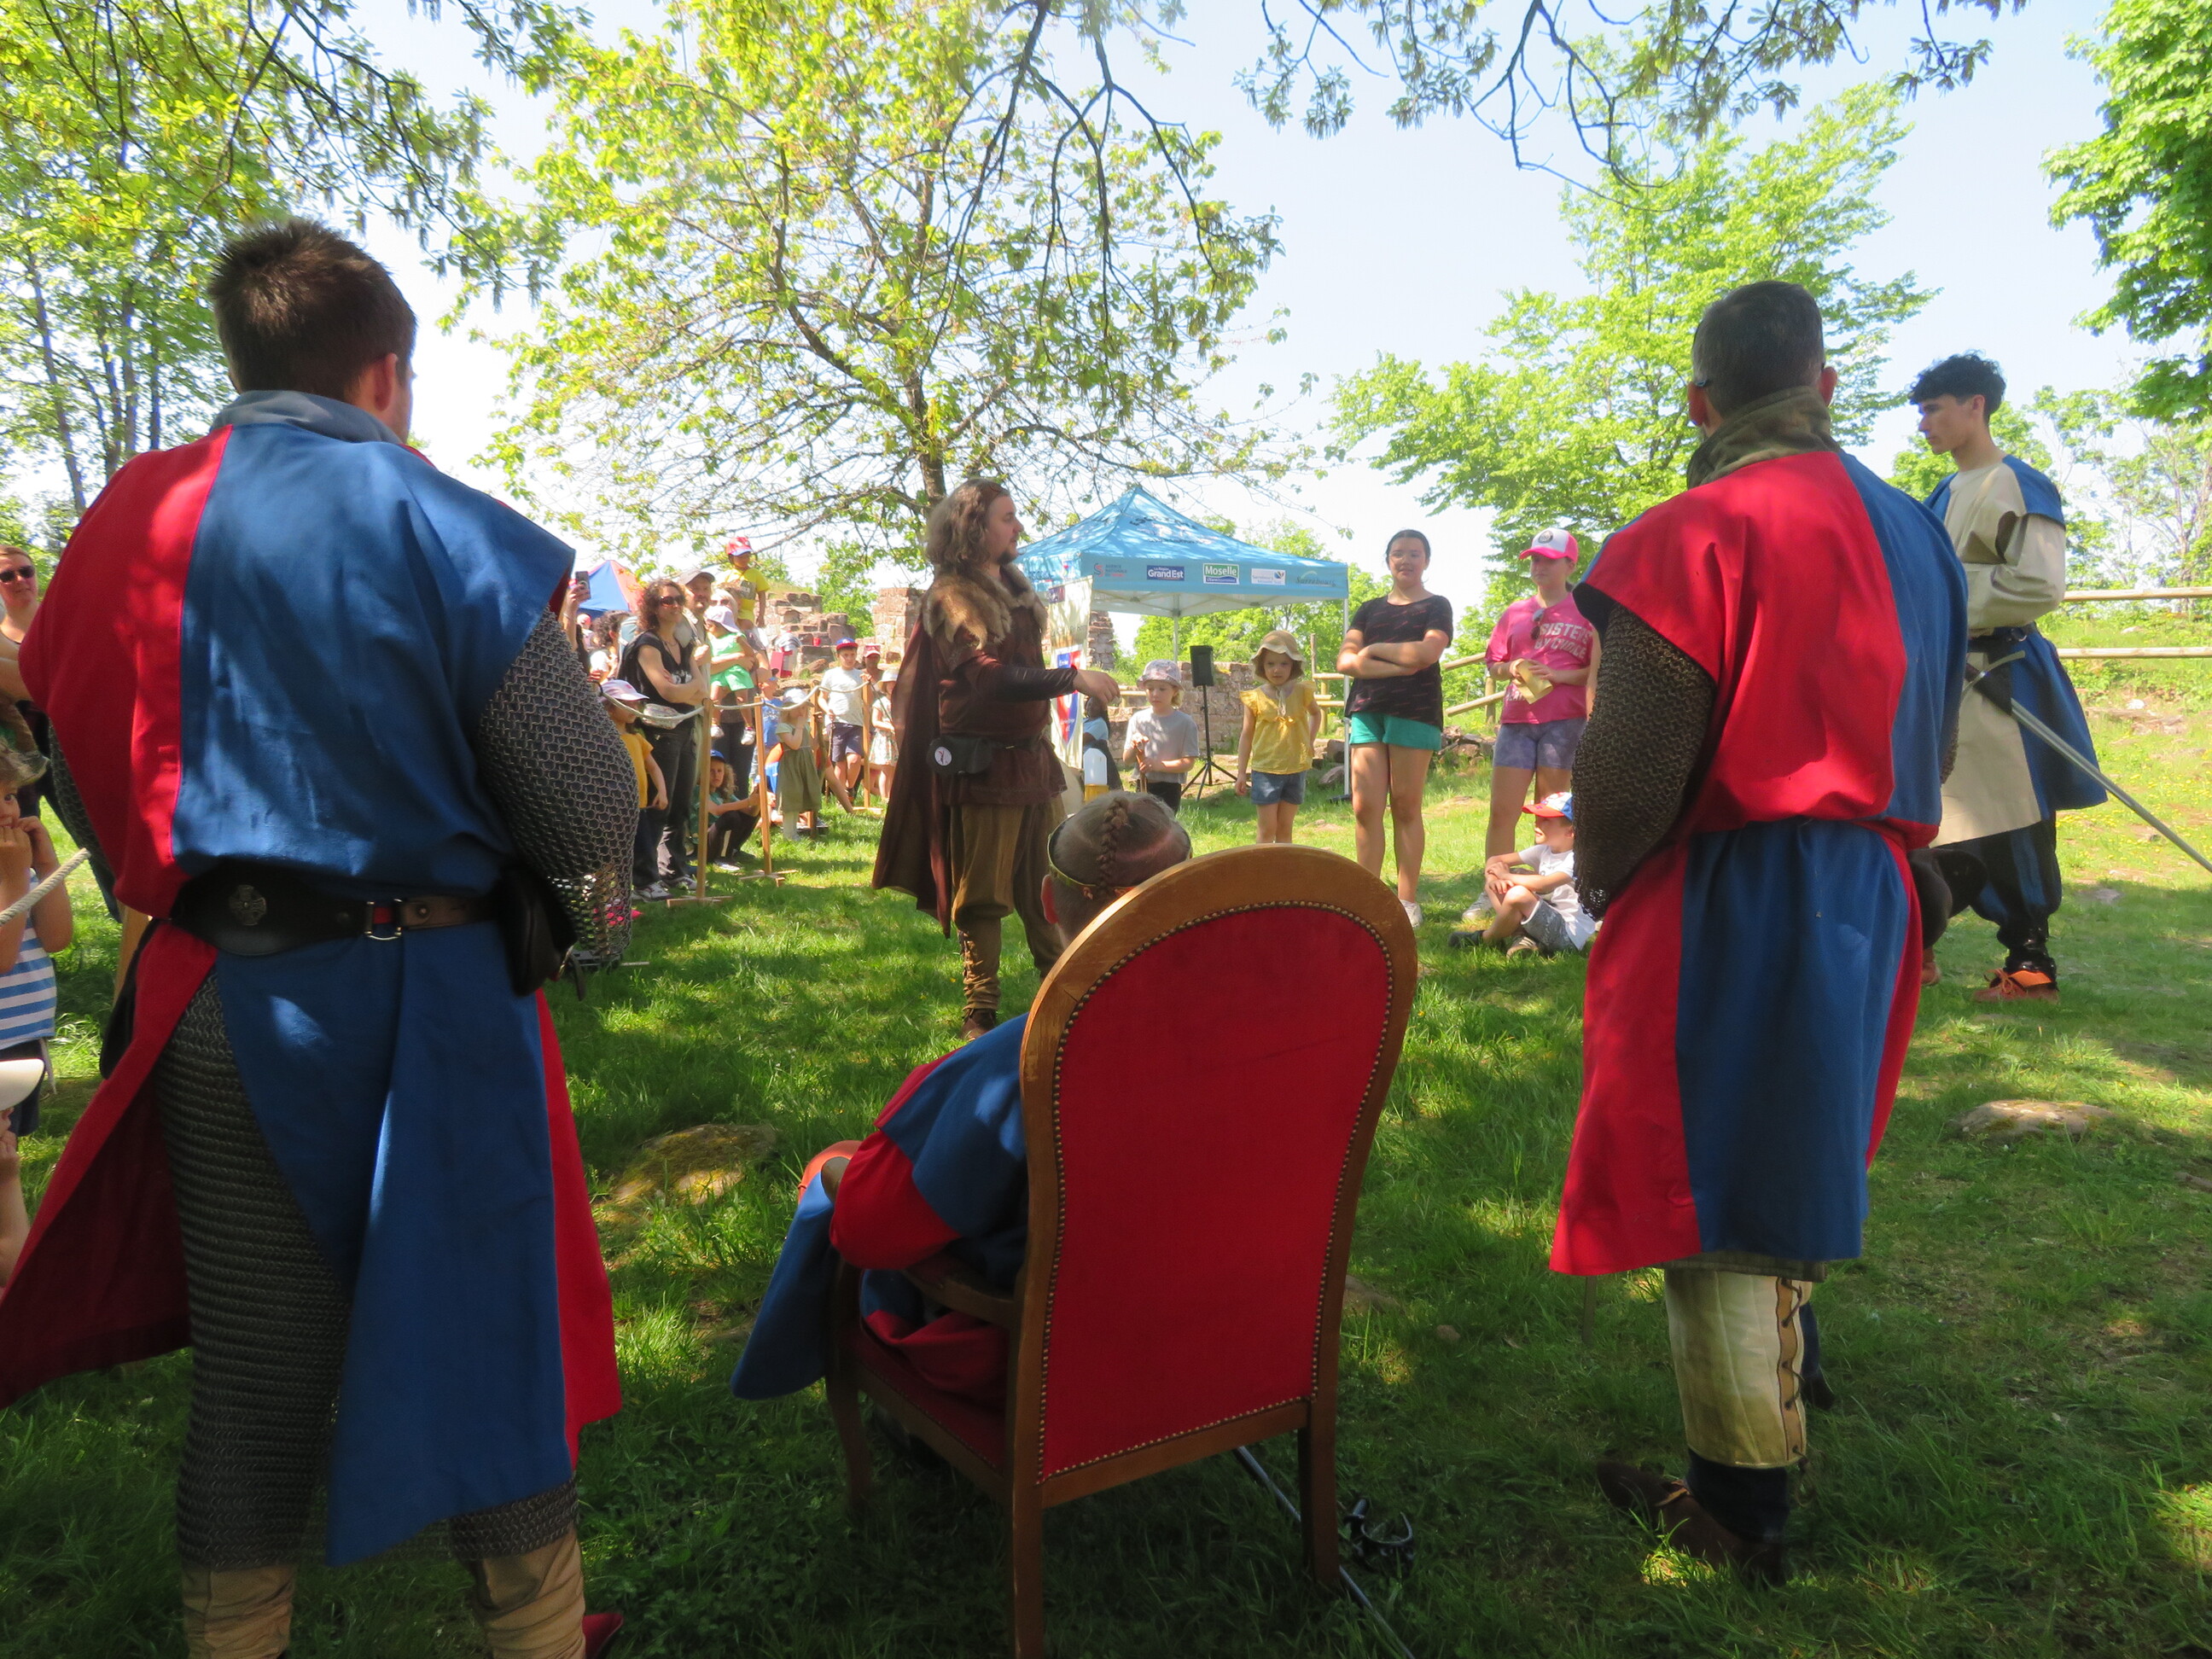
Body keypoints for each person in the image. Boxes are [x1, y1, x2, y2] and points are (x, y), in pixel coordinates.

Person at [0, 219, 633, 1657]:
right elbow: (589, 802)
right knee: (487, 1349)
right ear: (385, 372)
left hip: (219, 994)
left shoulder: (127, 519)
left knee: (257, 1379)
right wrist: (586, 919)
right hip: (439, 1009)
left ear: (245, 354)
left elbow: (81, 760)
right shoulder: (430, 514)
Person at [1552, 282, 1965, 1583]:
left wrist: (1601, 877)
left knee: (1719, 1175)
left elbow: (1633, 762)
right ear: (1824, 386)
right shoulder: (1922, 535)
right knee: (1801, 1134)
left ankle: (1740, 1507)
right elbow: (1939, 733)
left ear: (1701, 403)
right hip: (1872, 880)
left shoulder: (1691, 531)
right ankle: (1798, 1358)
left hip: (1738, 884)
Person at [734, 791, 1191, 1407]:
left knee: (832, 1171)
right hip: (1215, 1325)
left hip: (1045, 1363)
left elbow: (871, 1234)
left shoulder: (1017, 1065)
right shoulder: (1265, 1031)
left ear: (1047, 900)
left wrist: (833, 1176)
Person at [874, 479, 1121, 1041]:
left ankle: (1064, 997)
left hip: (1033, 760)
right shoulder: (951, 595)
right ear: (973, 526)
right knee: (983, 896)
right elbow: (986, 679)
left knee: (1048, 888)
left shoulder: (1014, 585)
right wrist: (1071, 678)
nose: (1018, 528)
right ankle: (980, 1012)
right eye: (1007, 518)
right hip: (982, 766)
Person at [1911, 352, 2104, 1004]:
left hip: (2001, 677)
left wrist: (1944, 593)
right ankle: (1919, 951)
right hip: (1946, 680)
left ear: (1976, 406)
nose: (1924, 424)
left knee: (2013, 821)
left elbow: (2039, 584)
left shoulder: (2018, 482)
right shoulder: (1942, 493)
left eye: (1934, 409)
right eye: (1921, 412)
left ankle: (2030, 968)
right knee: (1930, 817)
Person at [1338, 530, 1453, 928]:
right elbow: (1345, 662)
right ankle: (1368, 898)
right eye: (1398, 553)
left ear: (1427, 561)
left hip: (1415, 712)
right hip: (1367, 711)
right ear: (1387, 560)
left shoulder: (1437, 606)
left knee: (1405, 806)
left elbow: (1427, 652)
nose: (1406, 560)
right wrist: (1401, 665)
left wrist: (1372, 651)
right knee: (1364, 807)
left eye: (1415, 554)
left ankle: (1406, 901)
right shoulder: (1368, 609)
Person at [1481, 527, 1598, 864]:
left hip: (1564, 722)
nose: (1539, 567)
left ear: (1570, 565)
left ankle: (1545, 883)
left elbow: (1596, 669)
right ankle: (1495, 880)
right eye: (1534, 560)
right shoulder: (1515, 612)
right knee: (1502, 810)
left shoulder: (1586, 612)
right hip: (1516, 722)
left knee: (1550, 813)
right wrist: (1512, 666)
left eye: (1548, 560)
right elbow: (1493, 664)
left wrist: (1559, 676)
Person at [0, 748, 72, 1133]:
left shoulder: (15, 870)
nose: (6, 812)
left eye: (9, 796)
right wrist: (14, 878)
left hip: (24, 1037)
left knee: (9, 1147)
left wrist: (45, 866)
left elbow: (56, 938)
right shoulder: (12, 873)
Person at [620, 578, 708, 888]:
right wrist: (689, 689)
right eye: (666, 601)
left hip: (684, 729)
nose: (674, 606)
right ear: (653, 608)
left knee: (681, 805)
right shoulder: (648, 644)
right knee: (659, 803)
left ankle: (673, 869)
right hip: (657, 733)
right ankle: (645, 879)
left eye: (677, 600)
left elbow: (702, 692)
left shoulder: (683, 646)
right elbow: (666, 692)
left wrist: (687, 689)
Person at [1458, 792, 1592, 957]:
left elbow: (1544, 884)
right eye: (1537, 818)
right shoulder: (1544, 850)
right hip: (1544, 921)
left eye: (1546, 820)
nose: (1537, 823)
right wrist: (1493, 880)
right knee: (1497, 886)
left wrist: (1507, 876)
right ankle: (1524, 938)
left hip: (1567, 936)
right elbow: (1495, 860)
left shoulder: (1579, 858)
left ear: (1570, 831)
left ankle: (1486, 939)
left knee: (1518, 894)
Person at [1234, 630, 1323, 844]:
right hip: (1266, 770)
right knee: (1267, 829)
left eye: (1284, 663)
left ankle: (1284, 866)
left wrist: (1309, 741)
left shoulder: (1303, 692)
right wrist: (1241, 773)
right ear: (1262, 667)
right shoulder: (1255, 698)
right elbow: (1246, 735)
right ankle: (1263, 865)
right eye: (1271, 664)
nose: (1277, 669)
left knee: (1285, 829)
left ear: (1294, 665)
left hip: (1296, 769)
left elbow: (1316, 714)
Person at [604, 679, 672, 897]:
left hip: (638, 805)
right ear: (609, 706)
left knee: (643, 846)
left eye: (635, 704)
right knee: (616, 849)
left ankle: (646, 884)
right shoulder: (603, 739)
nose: (634, 708)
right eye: (627, 704)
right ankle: (620, 888)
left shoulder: (636, 738)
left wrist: (662, 791)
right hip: (613, 806)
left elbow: (653, 767)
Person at [0, 546, 49, 820]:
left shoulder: (63, 621)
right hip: (22, 748)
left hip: (71, 738)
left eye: (26, 571)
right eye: (7, 576)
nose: (20, 580)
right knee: (25, 822)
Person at [1122, 660, 1200, 812]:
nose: (1155, 694)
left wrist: (1158, 765)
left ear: (1175, 691)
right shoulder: (1138, 719)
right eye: (1150, 689)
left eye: (1162, 689)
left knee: (1164, 825)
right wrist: (1134, 746)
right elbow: (1127, 760)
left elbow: (1188, 763)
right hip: (1143, 784)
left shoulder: (1185, 723)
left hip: (1169, 788)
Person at [771, 679, 828, 837]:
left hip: (805, 764)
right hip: (792, 766)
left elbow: (812, 746)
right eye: (797, 707)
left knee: (801, 795)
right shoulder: (783, 727)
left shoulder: (804, 726)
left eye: (803, 707)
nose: (801, 711)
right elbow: (795, 745)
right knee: (792, 796)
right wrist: (800, 726)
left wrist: (820, 729)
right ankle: (789, 834)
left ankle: (796, 832)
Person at [820, 637, 870, 799]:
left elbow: (867, 701)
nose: (849, 658)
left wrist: (868, 684)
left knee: (854, 759)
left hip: (856, 722)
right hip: (837, 722)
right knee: (840, 761)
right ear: (838, 656)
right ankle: (841, 798)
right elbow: (822, 697)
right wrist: (827, 710)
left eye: (852, 655)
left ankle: (849, 789)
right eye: (845, 655)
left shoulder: (860, 675)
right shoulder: (831, 675)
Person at [702, 753, 759, 867]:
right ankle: (722, 857)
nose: (716, 775)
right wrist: (748, 801)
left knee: (753, 813)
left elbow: (751, 813)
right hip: (703, 843)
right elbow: (716, 810)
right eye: (711, 771)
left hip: (717, 838)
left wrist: (758, 799)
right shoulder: (699, 791)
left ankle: (733, 850)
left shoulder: (722, 793)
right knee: (731, 816)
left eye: (719, 771)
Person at [865, 666, 899, 802]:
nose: (892, 686)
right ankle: (885, 797)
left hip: (896, 739)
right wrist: (889, 727)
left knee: (894, 770)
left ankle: (892, 796)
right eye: (889, 683)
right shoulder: (880, 703)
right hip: (885, 739)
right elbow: (875, 721)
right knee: (885, 770)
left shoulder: (900, 703)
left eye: (895, 683)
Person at [1078, 692, 1120, 800]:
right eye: (1089, 704)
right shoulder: (1083, 721)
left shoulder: (1099, 723)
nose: (1091, 707)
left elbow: (1082, 740)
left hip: (1092, 763)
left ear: (1101, 708)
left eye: (1095, 705)